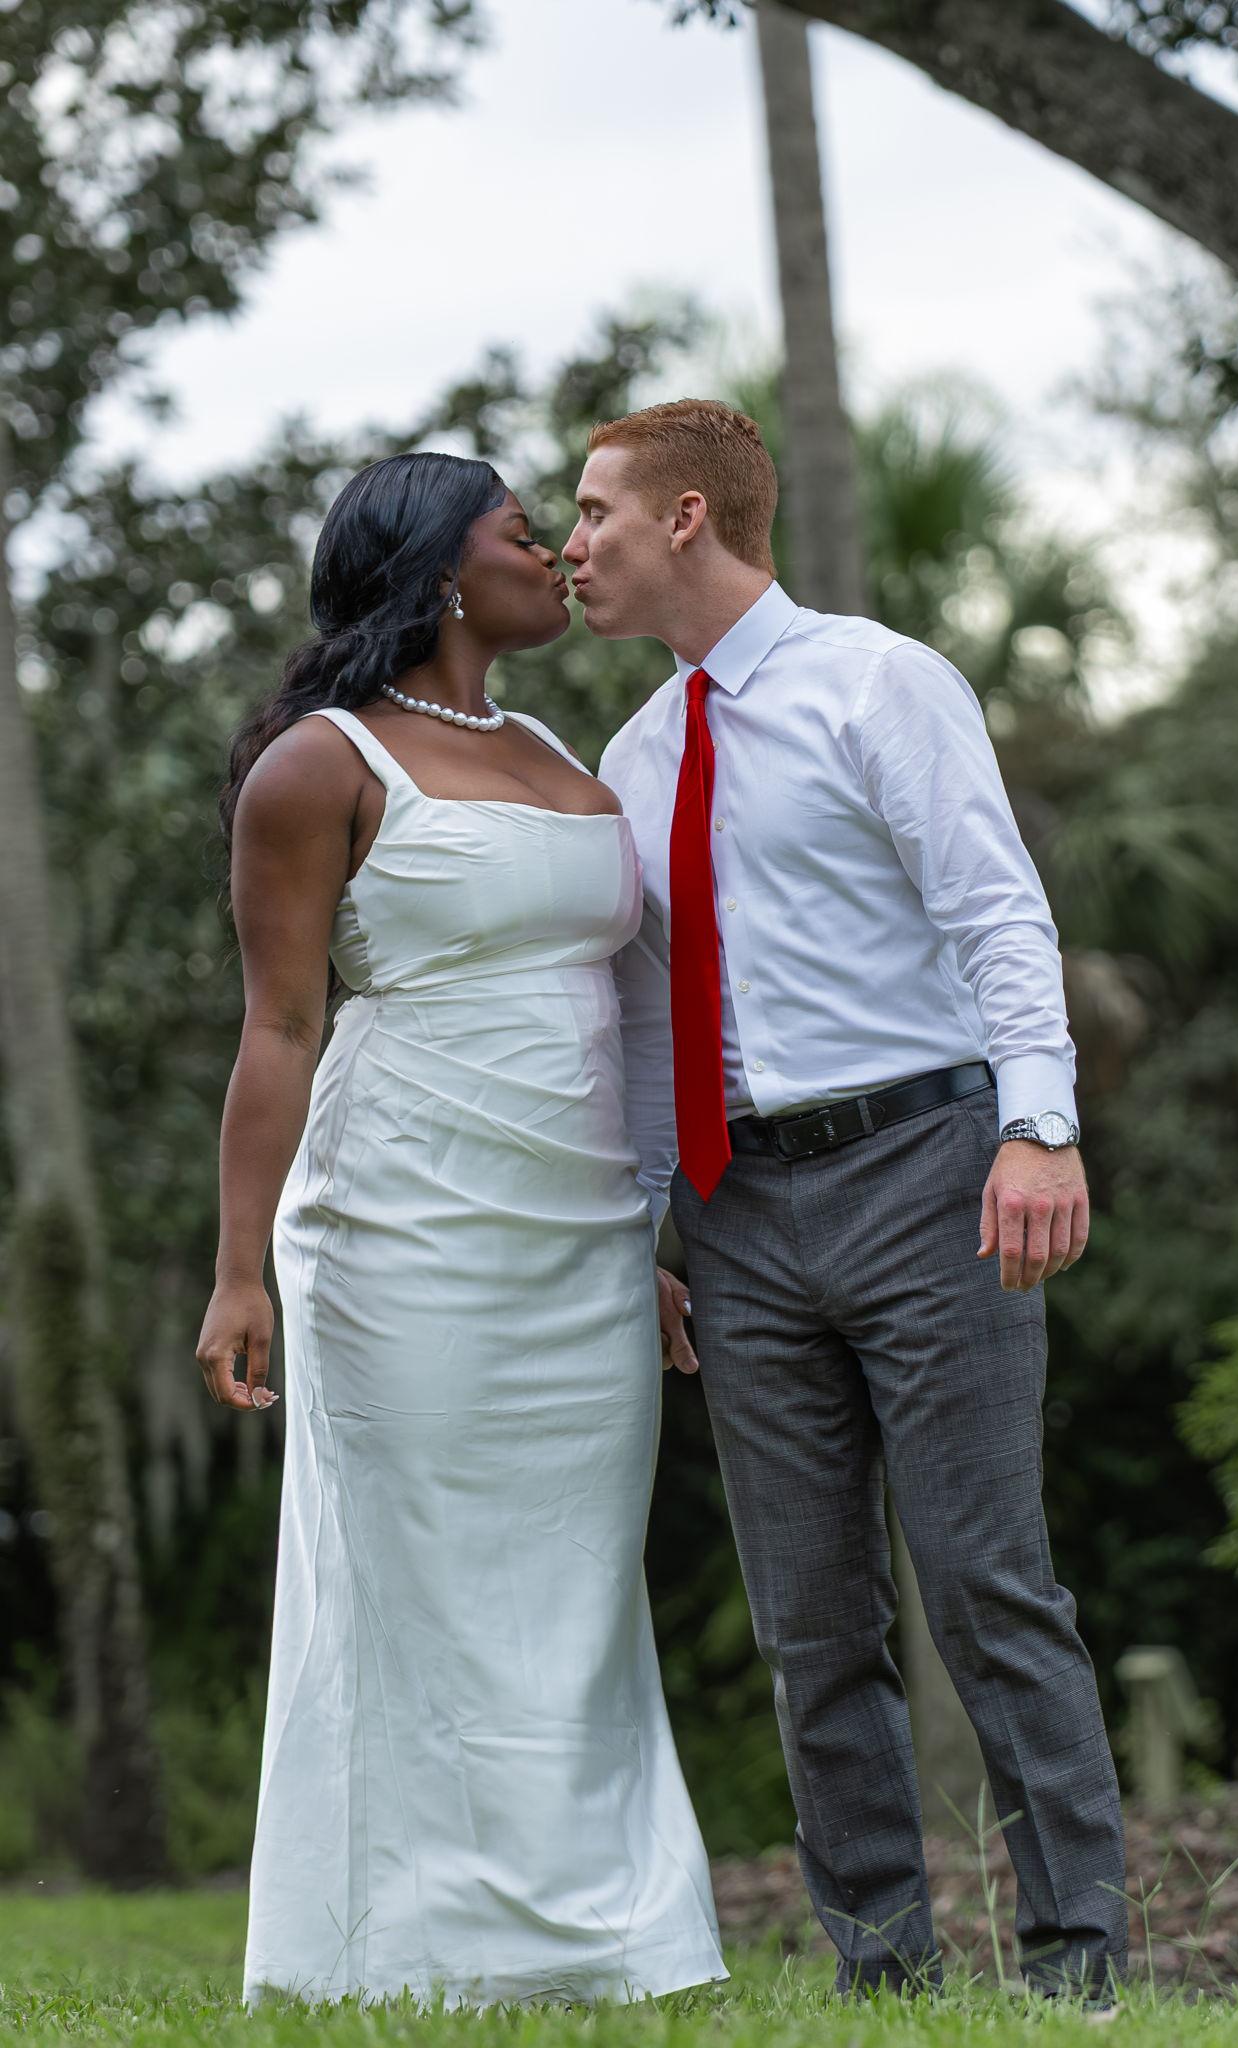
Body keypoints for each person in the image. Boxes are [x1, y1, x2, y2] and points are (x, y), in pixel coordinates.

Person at [570, 399, 1128, 2000]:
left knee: (986, 1585)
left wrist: (1040, 1126)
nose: (574, 544)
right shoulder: (635, 757)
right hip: (739, 1217)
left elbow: (994, 909)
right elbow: (653, 1031)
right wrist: (643, 1237)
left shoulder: (878, 682)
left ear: (688, 516)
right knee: (809, 1621)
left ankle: (1078, 1968)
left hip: (927, 1176)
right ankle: (884, 1974)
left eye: (598, 511)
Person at [196, 452, 725, 2009]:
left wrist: (642, 1238)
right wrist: (238, 1271)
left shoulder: (554, 744)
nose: (556, 555)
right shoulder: (321, 765)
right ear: (440, 570)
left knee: (577, 1588)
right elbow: (280, 1027)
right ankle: (402, 1951)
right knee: (421, 1581)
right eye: (522, 533)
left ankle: (604, 1944)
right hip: (404, 1229)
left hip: (581, 1240)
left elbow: (616, 1010)